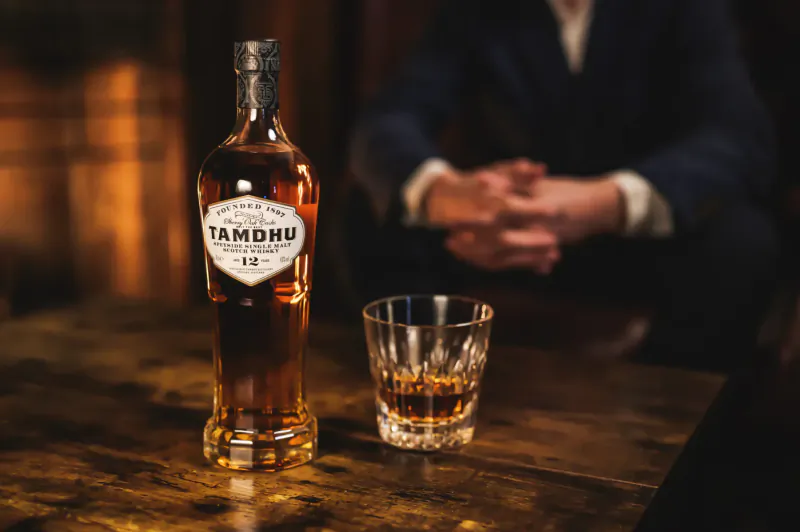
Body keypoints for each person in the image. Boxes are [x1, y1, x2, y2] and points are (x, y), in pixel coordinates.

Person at [348, 0, 778, 370]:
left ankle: (664, 426)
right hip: (507, 238)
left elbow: (739, 135)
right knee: (369, 214)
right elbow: (390, 119)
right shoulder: (477, 8)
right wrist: (448, 194)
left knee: (743, 242)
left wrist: (606, 202)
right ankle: (422, 397)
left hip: (640, 245)